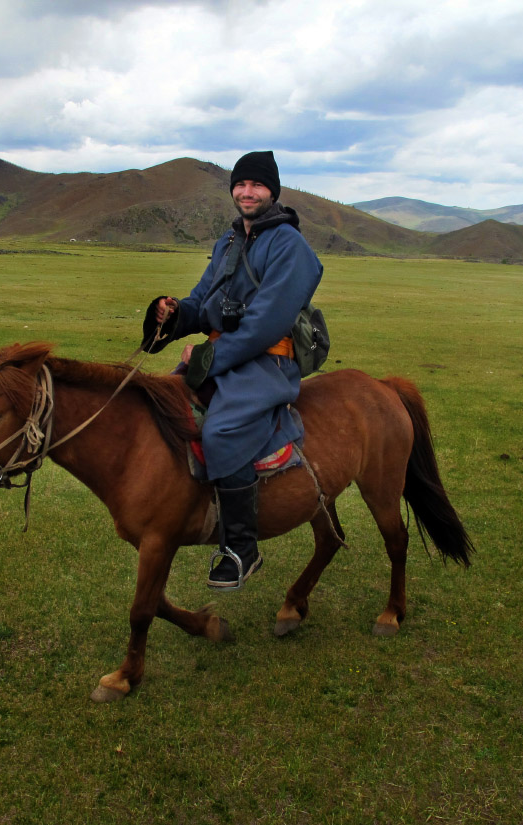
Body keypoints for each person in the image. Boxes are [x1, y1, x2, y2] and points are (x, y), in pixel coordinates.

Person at [141, 150, 323, 590]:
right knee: (159, 404)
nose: (247, 191)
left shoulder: (289, 246)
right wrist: (175, 313)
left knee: (221, 430)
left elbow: (265, 325)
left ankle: (242, 547)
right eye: (241, 184)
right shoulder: (229, 242)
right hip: (228, 354)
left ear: (272, 191)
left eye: (257, 185)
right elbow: (204, 300)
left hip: (267, 360)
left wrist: (207, 359)